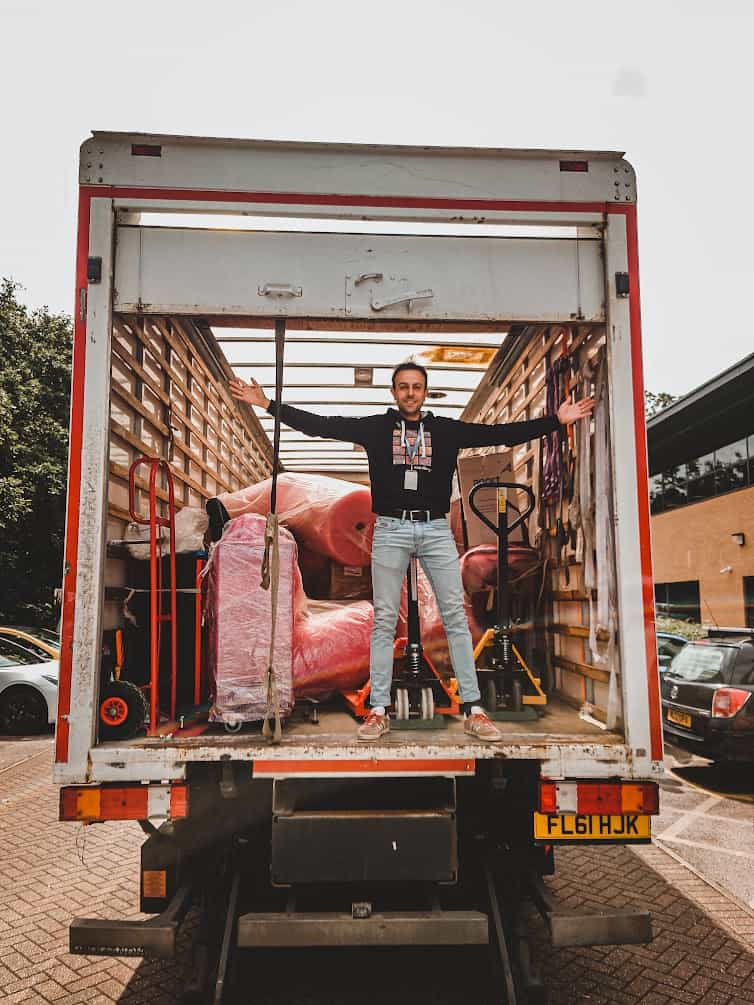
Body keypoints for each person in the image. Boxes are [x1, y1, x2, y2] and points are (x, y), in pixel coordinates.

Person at [229, 363, 593, 742]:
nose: (410, 393)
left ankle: (474, 709)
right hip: (390, 528)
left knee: (454, 614)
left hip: (435, 530)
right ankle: (379, 710)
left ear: (425, 391)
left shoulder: (446, 430)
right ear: (393, 392)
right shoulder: (376, 428)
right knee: (385, 619)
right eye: (403, 387)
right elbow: (324, 424)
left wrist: (555, 420)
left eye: (417, 387)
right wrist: (268, 404)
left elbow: (499, 432)